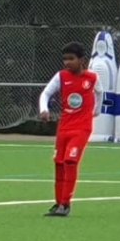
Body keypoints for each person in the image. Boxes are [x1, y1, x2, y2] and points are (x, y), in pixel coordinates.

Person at [36, 41, 97, 217]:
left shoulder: (91, 78)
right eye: (65, 59)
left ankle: (66, 203)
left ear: (81, 60)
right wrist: (44, 109)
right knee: (59, 163)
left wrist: (96, 111)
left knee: (70, 161)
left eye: (71, 59)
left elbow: (100, 92)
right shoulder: (61, 76)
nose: (67, 62)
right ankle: (58, 203)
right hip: (64, 127)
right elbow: (46, 93)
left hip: (82, 127)